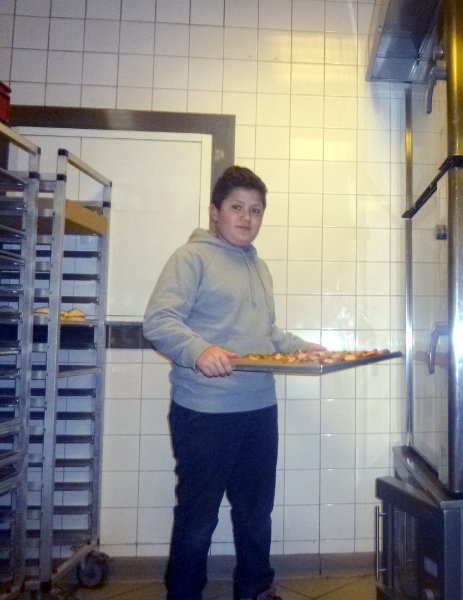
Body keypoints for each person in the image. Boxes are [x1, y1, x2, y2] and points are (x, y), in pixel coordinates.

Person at [142, 166, 325, 600]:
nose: (247, 217)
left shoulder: (259, 267)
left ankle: (255, 589)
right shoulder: (191, 259)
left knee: (256, 514)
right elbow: (158, 321)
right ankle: (184, 594)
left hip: (259, 409)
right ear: (215, 212)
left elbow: (269, 335)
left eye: (256, 210)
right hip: (205, 414)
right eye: (237, 208)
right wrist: (199, 350)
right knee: (198, 518)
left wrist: (304, 347)